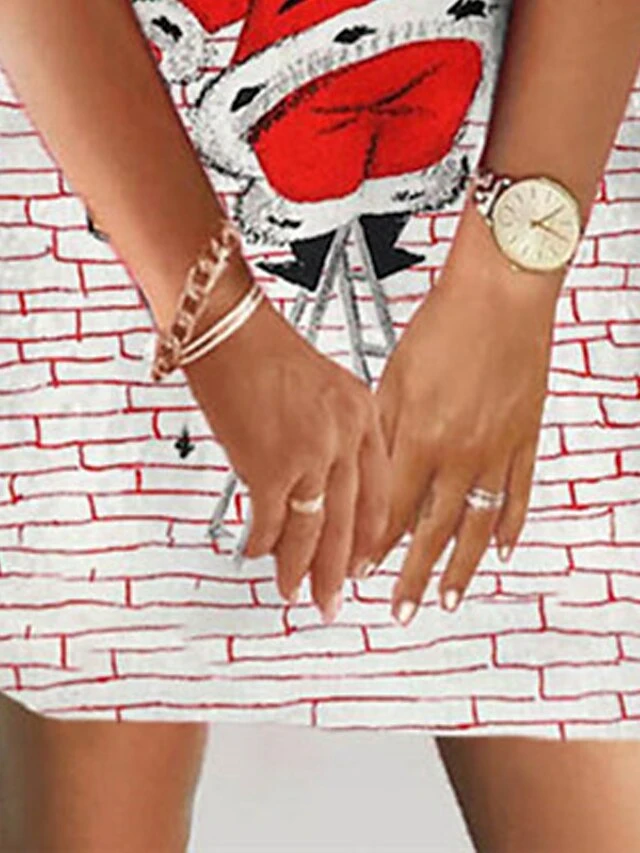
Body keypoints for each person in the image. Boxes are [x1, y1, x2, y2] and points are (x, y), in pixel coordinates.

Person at [0, 0, 638, 849]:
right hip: (109, 160)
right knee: (94, 738)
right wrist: (216, 324)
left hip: (527, 154)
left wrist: (510, 282)